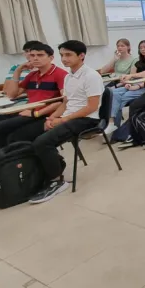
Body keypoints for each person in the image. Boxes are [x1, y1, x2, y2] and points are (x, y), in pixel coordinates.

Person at [0, 43, 67, 192]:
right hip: (23, 111)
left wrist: (37, 113)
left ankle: (9, 165)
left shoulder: (60, 74)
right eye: (32, 55)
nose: (35, 58)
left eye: (40, 55)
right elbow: (11, 94)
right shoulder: (32, 75)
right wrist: (18, 70)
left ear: (51, 57)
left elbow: (63, 101)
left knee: (0, 130)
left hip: (41, 114)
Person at [27, 40, 105, 204]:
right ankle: (49, 169)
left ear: (81, 56)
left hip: (87, 119)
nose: (64, 59)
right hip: (70, 116)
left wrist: (63, 120)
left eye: (68, 55)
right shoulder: (69, 76)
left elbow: (92, 107)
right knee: (27, 136)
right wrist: (52, 117)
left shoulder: (91, 76)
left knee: (43, 142)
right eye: (62, 55)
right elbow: (65, 102)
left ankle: (57, 181)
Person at [106, 40, 145, 133]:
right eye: (140, 48)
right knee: (113, 93)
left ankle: (120, 127)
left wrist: (137, 86)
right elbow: (132, 77)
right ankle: (113, 124)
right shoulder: (138, 63)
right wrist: (129, 83)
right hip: (134, 84)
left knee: (121, 98)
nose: (142, 49)